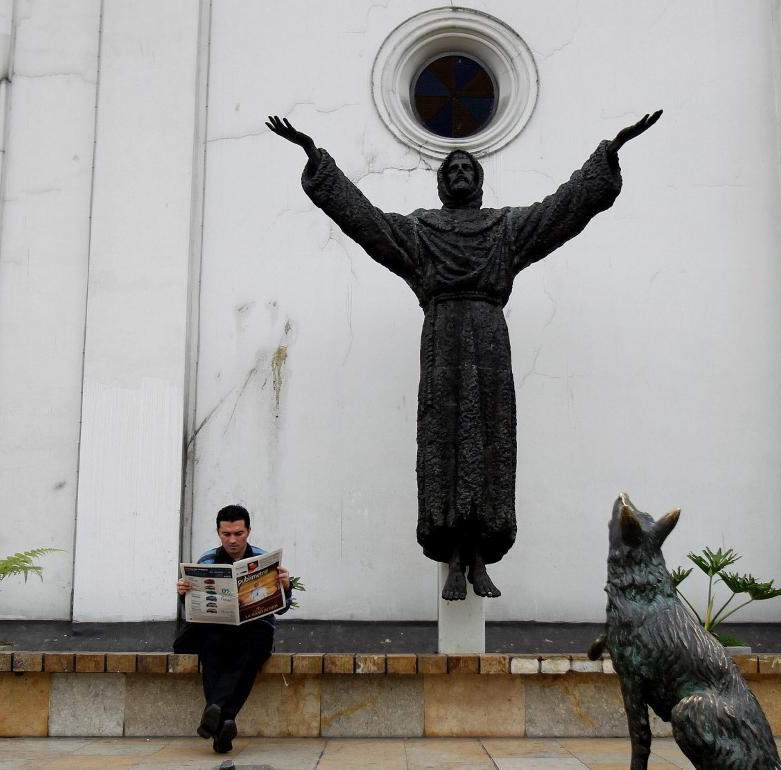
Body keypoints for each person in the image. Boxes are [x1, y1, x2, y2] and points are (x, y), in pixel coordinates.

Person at [266, 110, 662, 601]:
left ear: (479, 182)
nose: (458, 175)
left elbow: (563, 209)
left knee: (491, 443)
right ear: (439, 185)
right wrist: (316, 160)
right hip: (442, 343)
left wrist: (608, 154)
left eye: (466, 170)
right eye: (450, 170)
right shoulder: (419, 233)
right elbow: (364, 219)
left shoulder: (506, 230)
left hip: (489, 340)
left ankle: (481, 556)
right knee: (443, 443)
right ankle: (453, 556)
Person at [174, 504, 291, 754]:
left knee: (253, 647)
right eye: (226, 534)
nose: (233, 540)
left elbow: (281, 610)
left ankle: (215, 712)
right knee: (212, 648)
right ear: (218, 533)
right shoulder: (207, 560)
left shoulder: (263, 559)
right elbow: (194, 610)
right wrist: (184, 594)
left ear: (248, 531)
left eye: (238, 533)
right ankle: (224, 725)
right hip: (219, 628)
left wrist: (285, 587)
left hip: (255, 629)